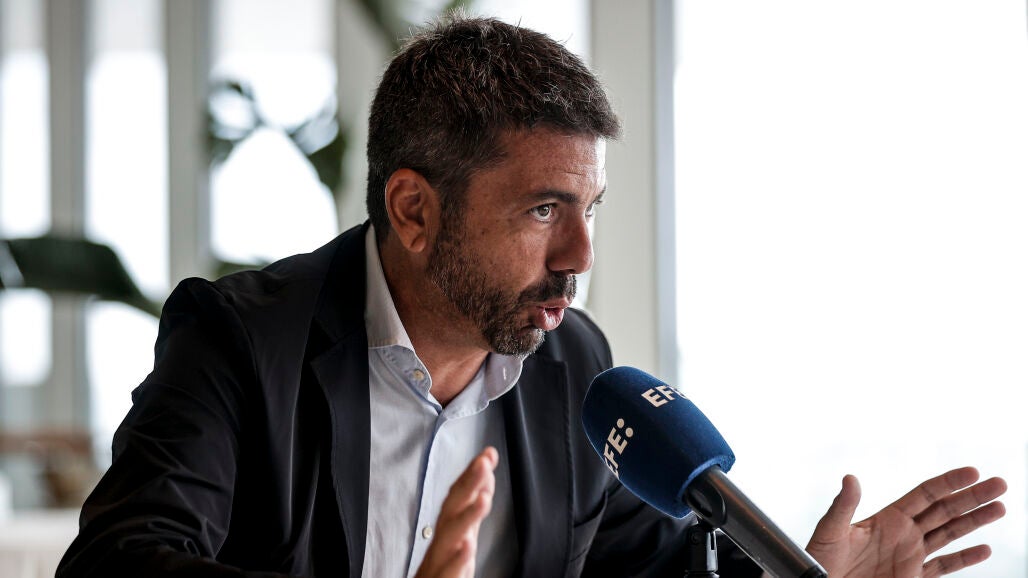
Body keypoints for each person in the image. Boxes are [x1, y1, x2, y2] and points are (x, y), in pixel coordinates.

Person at [57, 14, 1006, 578]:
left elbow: (649, 568)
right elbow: (115, 565)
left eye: (590, 208)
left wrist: (797, 576)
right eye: (544, 209)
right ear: (415, 210)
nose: (580, 253)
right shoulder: (241, 341)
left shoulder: (572, 366)